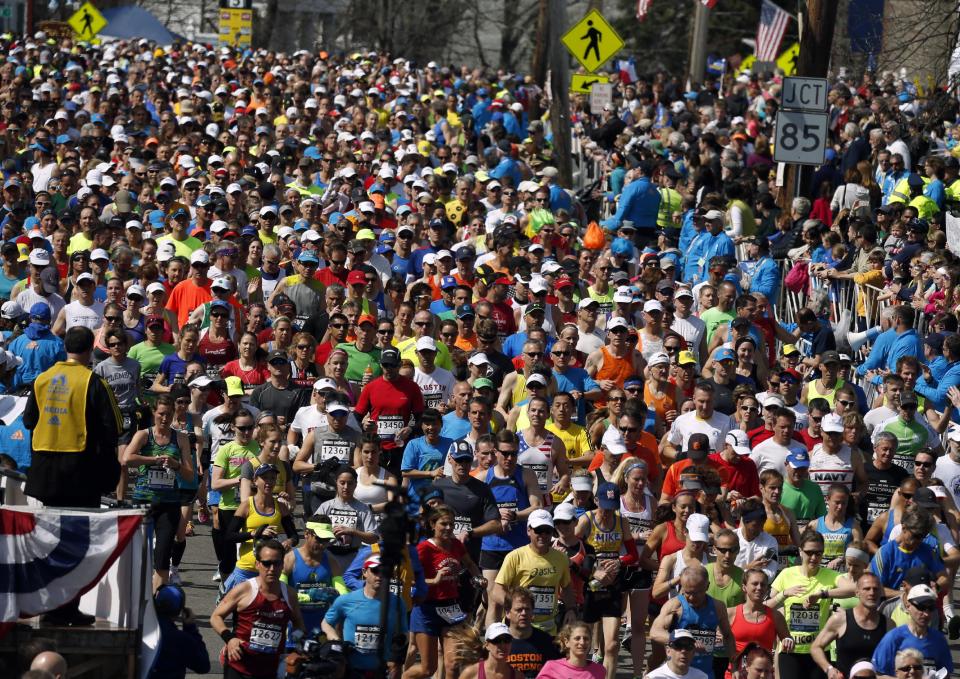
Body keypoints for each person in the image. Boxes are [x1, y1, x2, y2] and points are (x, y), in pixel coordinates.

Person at [22, 325, 121, 625]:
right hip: (80, 475)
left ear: (65, 347)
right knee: (76, 543)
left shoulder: (42, 379)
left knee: (49, 542)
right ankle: (66, 608)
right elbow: (114, 427)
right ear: (91, 349)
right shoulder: (93, 381)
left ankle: (51, 608)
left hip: (45, 475)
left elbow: (28, 421)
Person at [122, 395, 194, 588]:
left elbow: (189, 476)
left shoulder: (180, 438)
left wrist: (176, 465)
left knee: (162, 558)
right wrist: (153, 460)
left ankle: (156, 603)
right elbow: (126, 459)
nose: (164, 418)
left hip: (169, 504)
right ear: (154, 412)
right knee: (139, 555)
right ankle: (136, 599)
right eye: (161, 414)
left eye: (169, 415)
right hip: (143, 501)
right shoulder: (144, 435)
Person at [210, 538, 305, 679]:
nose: (272, 569)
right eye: (267, 564)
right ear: (257, 564)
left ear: (282, 565)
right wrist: (229, 639)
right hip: (239, 666)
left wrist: (295, 647)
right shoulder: (244, 590)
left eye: (276, 563)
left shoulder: (289, 594)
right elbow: (216, 617)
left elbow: (299, 625)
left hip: (270, 670)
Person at [408, 504, 484, 679]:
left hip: (451, 608)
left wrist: (478, 578)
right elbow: (409, 577)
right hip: (427, 609)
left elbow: (471, 564)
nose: (449, 528)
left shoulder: (456, 544)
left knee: (453, 664)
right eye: (444, 524)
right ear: (432, 524)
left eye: (452, 524)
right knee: (428, 669)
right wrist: (433, 581)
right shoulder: (424, 549)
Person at [767, 529, 843, 679]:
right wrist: (784, 594)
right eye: (809, 553)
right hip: (791, 651)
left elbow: (854, 589)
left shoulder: (830, 575)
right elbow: (765, 607)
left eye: (818, 553)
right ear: (800, 551)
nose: (814, 557)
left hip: (818, 651)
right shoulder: (787, 574)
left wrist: (823, 594)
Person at [322, 553, 409, 676]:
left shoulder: (397, 602)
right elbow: (326, 623)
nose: (380, 576)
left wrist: (396, 655)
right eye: (375, 570)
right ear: (364, 572)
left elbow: (404, 633)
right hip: (351, 670)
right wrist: (336, 641)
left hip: (381, 671)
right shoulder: (346, 600)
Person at [493, 508, 573, 635]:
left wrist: (571, 609)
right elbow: (497, 591)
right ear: (528, 531)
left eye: (547, 531)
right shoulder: (515, 556)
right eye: (538, 531)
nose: (543, 535)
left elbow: (567, 587)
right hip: (518, 628)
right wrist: (517, 608)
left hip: (547, 629)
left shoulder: (561, 558)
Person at [650, 565, 736, 679]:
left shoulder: (718, 606)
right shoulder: (675, 605)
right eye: (687, 592)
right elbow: (655, 632)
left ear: (707, 586)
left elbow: (728, 636)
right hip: (678, 674)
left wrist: (734, 665)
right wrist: (686, 642)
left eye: (696, 593)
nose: (691, 597)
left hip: (705, 673)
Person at [810, 572, 890, 679]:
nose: (872, 593)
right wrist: (829, 669)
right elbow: (816, 647)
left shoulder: (888, 624)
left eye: (875, 589)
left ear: (881, 592)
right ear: (857, 592)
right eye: (866, 589)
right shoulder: (841, 619)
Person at [871, 584, 954, 675]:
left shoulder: (939, 639)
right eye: (921, 607)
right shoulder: (893, 638)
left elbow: (946, 673)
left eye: (930, 608)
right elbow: (877, 675)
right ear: (908, 606)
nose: (926, 614)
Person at [149, 584, 211, 679]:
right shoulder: (181, 639)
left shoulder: (145, 629)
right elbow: (203, 666)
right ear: (180, 610)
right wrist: (191, 628)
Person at [500, 586, 561, 678]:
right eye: (519, 610)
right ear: (507, 613)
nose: (524, 613)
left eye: (527, 609)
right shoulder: (498, 642)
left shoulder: (546, 641)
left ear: (533, 612)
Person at [534, 620, 606, 679]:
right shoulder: (552, 667)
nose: (582, 642)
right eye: (577, 638)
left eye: (586, 638)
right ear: (566, 642)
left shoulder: (599, 670)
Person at [457, 622, 525, 679]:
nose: (502, 645)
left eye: (507, 640)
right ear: (487, 645)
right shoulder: (470, 673)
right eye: (496, 640)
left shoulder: (518, 676)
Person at [644, 629, 708, 679]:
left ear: (693, 652)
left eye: (688, 646)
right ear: (668, 651)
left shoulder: (702, 677)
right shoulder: (655, 677)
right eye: (678, 645)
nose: (683, 651)